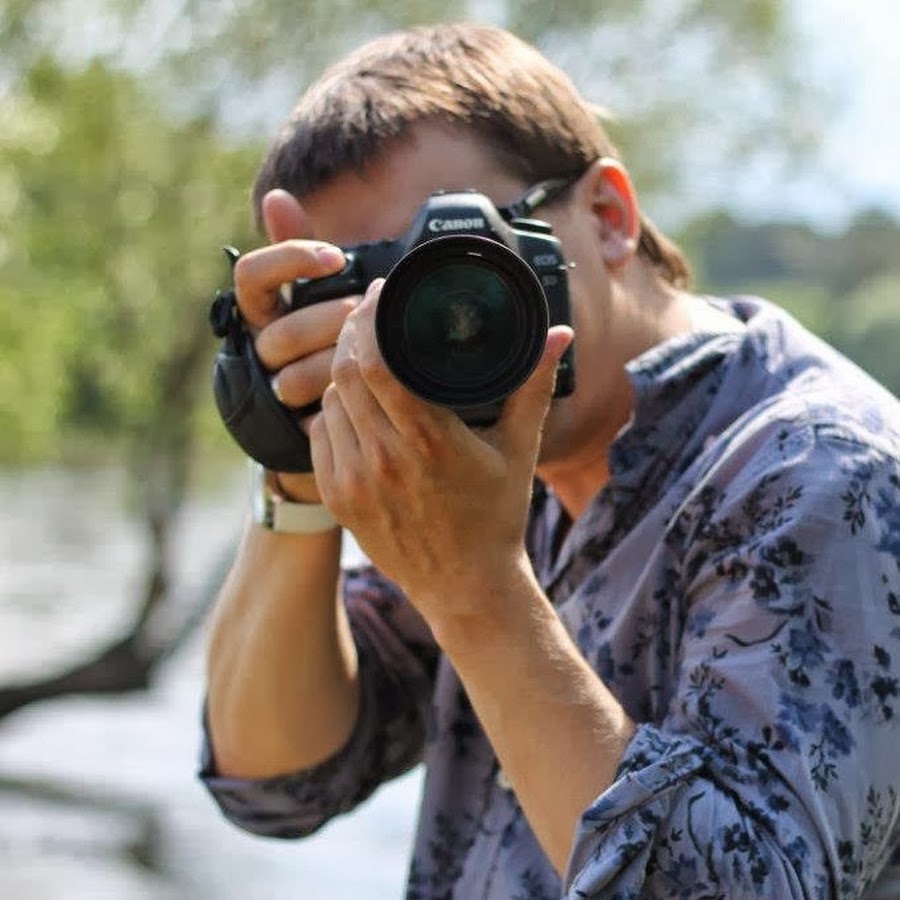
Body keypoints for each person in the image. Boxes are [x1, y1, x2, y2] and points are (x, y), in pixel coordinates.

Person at [199, 22, 900, 899]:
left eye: (452, 260)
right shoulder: (486, 465)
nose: (402, 335)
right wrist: (297, 478)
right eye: (361, 297)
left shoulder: (824, 475)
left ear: (607, 218)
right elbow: (277, 781)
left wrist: (476, 589)